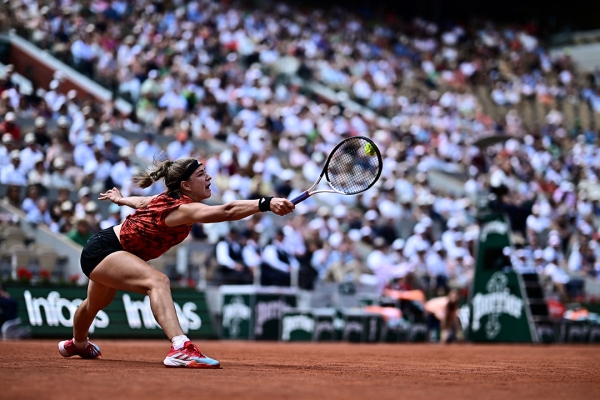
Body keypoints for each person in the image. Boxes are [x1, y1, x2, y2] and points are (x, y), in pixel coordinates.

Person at [58, 157, 294, 368]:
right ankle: (180, 347)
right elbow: (229, 210)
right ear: (186, 186)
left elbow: (144, 202)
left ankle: (77, 344)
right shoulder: (183, 208)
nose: (209, 177)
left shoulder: (169, 199)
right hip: (105, 249)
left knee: (94, 304)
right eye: (201, 174)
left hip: (108, 248)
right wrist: (265, 203)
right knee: (158, 281)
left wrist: (121, 199)